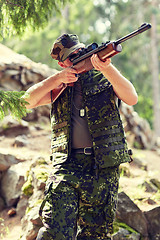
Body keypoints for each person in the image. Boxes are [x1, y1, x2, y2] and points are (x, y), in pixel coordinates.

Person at [24, 33, 138, 240]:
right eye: (72, 55)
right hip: (67, 166)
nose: (78, 55)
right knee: (55, 233)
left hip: (102, 167)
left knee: (97, 235)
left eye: (80, 51)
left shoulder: (104, 76)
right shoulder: (59, 86)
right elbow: (25, 101)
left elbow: (131, 97)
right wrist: (57, 79)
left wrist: (107, 68)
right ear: (62, 63)